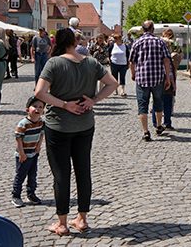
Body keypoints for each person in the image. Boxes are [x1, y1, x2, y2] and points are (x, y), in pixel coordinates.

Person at [35, 28, 117, 236]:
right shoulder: (90, 62)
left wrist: (64, 104)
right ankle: (82, 219)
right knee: (83, 171)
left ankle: (61, 223)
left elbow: (39, 92)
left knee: (61, 174)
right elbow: (112, 84)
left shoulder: (54, 63)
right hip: (85, 125)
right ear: (74, 41)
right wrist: (94, 100)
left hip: (58, 126)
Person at [129, 21, 173, 142]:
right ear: (152, 29)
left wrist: (133, 74)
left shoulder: (137, 42)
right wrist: (168, 78)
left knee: (142, 105)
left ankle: (146, 132)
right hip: (158, 78)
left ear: (143, 29)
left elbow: (132, 61)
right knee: (158, 102)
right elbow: (166, 60)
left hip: (142, 78)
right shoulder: (160, 42)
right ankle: (159, 126)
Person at [11, 96, 45, 208]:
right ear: (27, 109)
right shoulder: (23, 124)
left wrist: (38, 146)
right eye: (34, 106)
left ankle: (31, 194)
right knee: (20, 175)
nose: (37, 109)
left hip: (34, 153)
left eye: (40, 107)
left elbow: (41, 134)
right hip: (23, 154)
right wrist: (21, 153)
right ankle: (16, 196)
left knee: (32, 175)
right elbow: (18, 138)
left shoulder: (40, 122)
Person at [156, 29, 179, 130]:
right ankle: (166, 122)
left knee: (158, 99)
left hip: (158, 73)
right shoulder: (173, 44)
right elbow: (179, 57)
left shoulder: (157, 43)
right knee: (167, 98)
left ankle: (158, 123)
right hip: (168, 72)